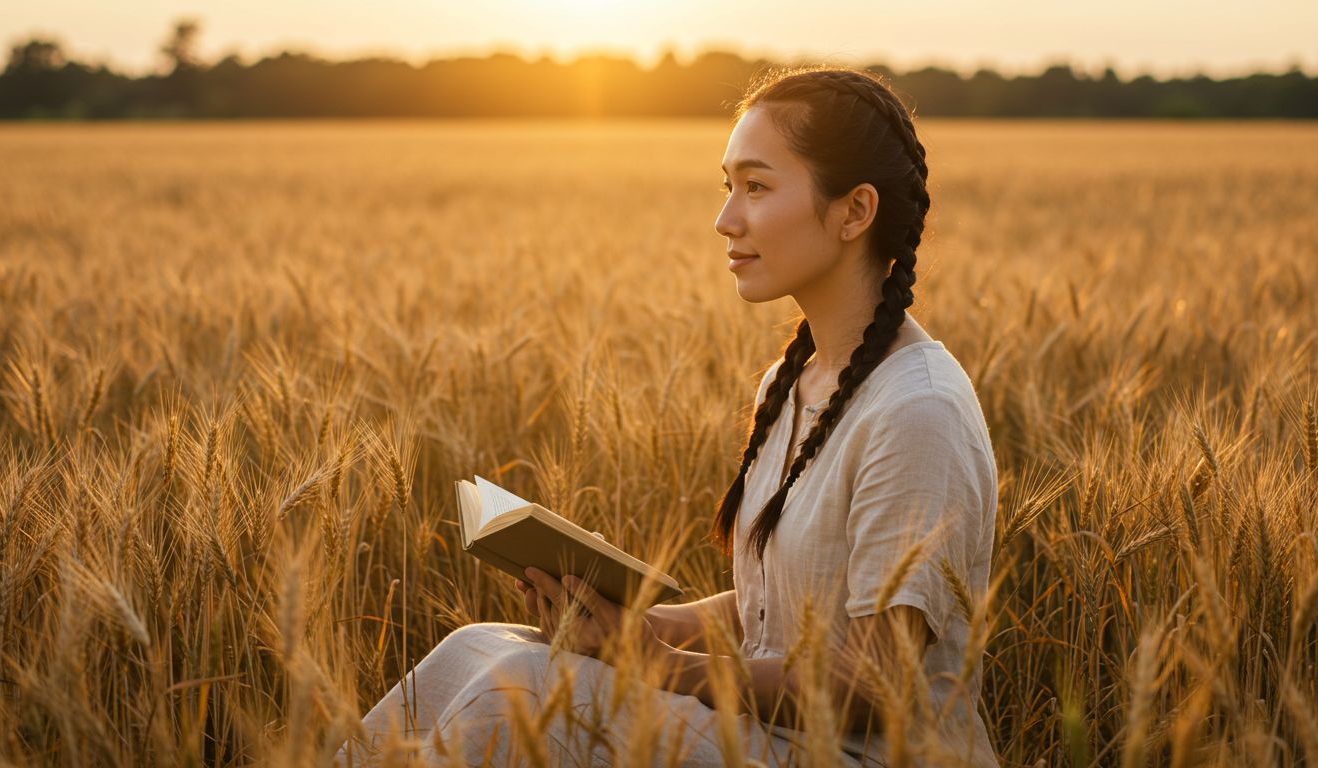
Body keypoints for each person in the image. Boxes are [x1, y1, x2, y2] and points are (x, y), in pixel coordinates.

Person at [335, 67, 999, 768]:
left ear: (853, 212)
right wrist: (633, 624)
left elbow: (873, 682)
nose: (726, 219)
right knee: (483, 646)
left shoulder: (916, 410)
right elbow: (771, 609)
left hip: (857, 753)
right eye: (728, 186)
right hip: (771, 734)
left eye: (758, 186)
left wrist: (659, 663)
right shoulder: (793, 383)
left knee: (518, 691)